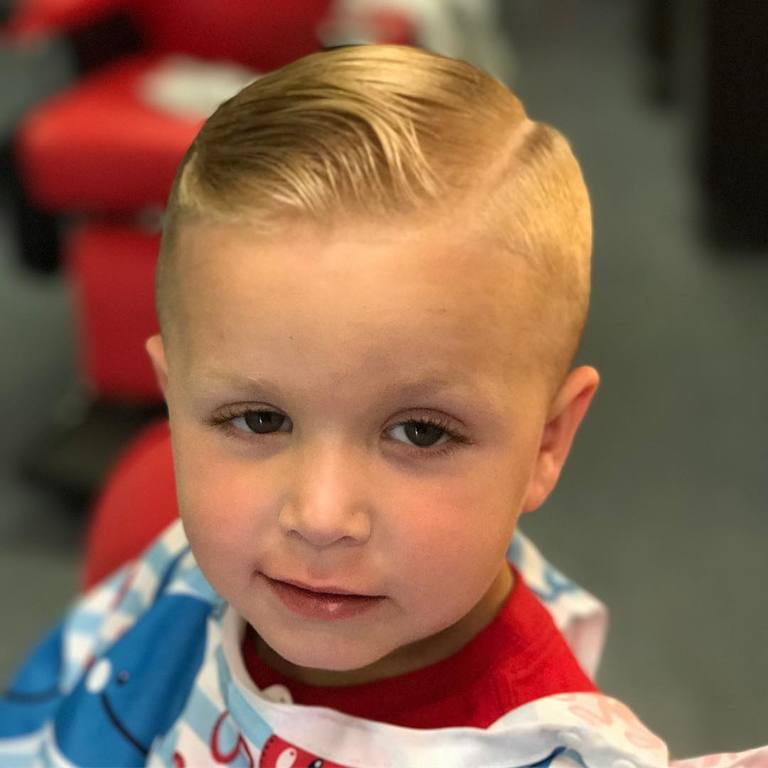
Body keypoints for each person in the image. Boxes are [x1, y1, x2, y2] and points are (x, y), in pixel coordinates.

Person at [0, 44, 764, 768]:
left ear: (547, 442)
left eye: (420, 432)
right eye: (259, 419)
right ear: (174, 404)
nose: (320, 517)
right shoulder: (195, 578)